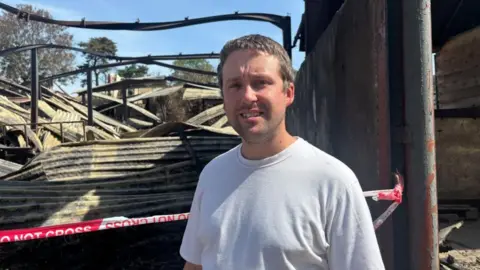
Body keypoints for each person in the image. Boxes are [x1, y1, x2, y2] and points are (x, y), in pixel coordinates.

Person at [179, 34, 385, 270]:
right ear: (224, 98)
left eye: (261, 83)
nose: (247, 96)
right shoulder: (212, 175)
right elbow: (195, 264)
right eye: (235, 85)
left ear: (288, 93)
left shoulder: (333, 181)